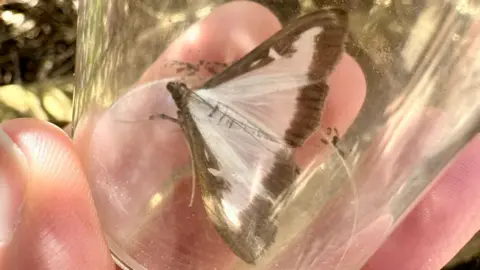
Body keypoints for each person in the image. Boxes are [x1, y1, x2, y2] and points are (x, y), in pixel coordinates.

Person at [0, 1, 478, 269]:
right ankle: (262, 178)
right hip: (238, 122)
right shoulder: (203, 104)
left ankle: (260, 181)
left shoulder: (193, 107)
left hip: (232, 139)